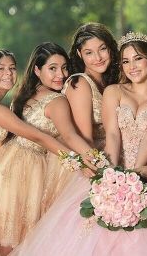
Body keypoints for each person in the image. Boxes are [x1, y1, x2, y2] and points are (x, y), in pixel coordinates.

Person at [11, 32, 147, 256]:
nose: (132, 66)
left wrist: (135, 177)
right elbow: (113, 134)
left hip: (146, 172)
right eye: (126, 61)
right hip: (109, 167)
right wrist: (111, 175)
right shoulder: (113, 91)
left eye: (138, 59)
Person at [0, 43, 95, 254]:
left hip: (6, 162)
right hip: (21, 171)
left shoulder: (34, 96)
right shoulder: (48, 99)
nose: (61, 75)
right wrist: (87, 160)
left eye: (64, 68)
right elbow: (67, 136)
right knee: (10, 236)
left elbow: (70, 135)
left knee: (1, 233)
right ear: (37, 70)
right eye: (52, 68)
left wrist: (93, 159)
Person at [41, 23, 119, 213]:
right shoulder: (79, 83)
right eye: (89, 52)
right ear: (79, 54)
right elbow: (84, 138)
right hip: (88, 161)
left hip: (111, 157)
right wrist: (105, 173)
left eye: (102, 49)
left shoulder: (113, 81)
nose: (98, 58)